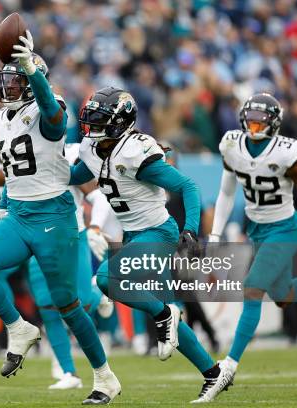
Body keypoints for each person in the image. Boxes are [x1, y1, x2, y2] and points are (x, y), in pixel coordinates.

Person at [0, 31, 121, 404]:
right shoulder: (0, 119)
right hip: (19, 213)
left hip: (54, 214)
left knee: (68, 306)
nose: (11, 86)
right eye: (9, 80)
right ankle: (18, 328)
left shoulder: (48, 106)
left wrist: (32, 69)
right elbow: (11, 173)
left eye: (18, 80)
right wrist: (2, 206)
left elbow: (53, 120)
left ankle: (104, 377)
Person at [68, 87, 224, 404]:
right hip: (133, 234)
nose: (92, 128)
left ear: (119, 123)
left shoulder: (135, 152)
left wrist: (190, 231)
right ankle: (213, 373)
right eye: (92, 120)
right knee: (170, 324)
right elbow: (78, 175)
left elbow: (188, 186)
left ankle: (164, 313)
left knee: (107, 279)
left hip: (158, 232)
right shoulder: (94, 149)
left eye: (100, 121)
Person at [204, 93, 297, 402]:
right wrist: (216, 235)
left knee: (251, 290)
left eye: (261, 122)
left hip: (285, 229)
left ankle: (228, 366)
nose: (255, 127)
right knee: (284, 296)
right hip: (257, 229)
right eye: (251, 121)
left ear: (274, 124)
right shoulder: (232, 145)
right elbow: (225, 192)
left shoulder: (288, 153)